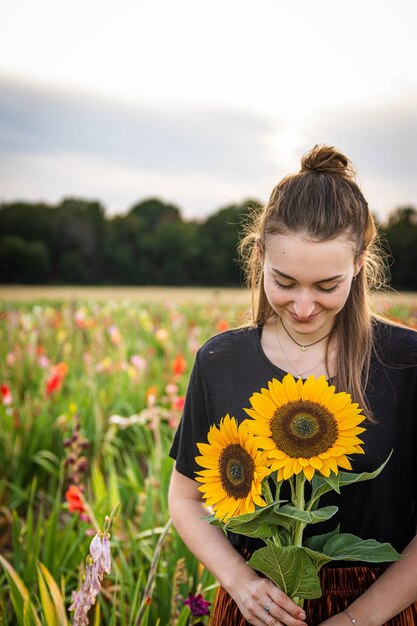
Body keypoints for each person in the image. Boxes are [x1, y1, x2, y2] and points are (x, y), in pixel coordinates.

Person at [168, 144, 417, 625]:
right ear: (260, 256)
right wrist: (240, 581)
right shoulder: (220, 361)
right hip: (256, 606)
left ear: (360, 263)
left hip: (381, 607)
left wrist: (354, 620)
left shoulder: (406, 364)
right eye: (284, 282)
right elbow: (184, 496)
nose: (304, 307)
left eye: (327, 286)